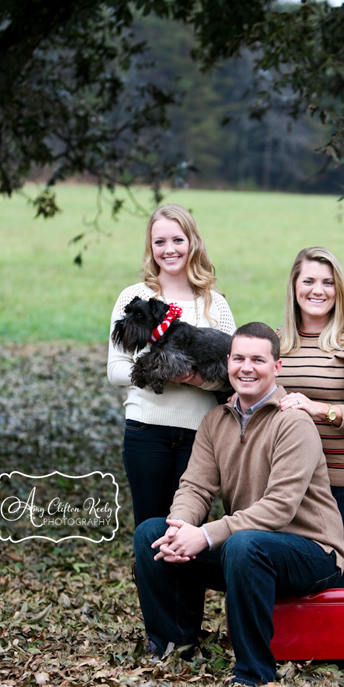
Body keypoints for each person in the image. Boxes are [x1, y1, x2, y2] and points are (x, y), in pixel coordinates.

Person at [133, 322, 344, 686]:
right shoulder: (216, 420)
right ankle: (175, 648)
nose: (246, 367)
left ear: (276, 368)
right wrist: (179, 527)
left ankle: (254, 673)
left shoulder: (293, 422)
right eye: (238, 358)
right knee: (151, 533)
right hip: (247, 548)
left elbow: (279, 508)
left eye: (257, 360)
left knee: (245, 544)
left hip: (312, 551)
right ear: (227, 362)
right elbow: (195, 486)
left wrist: (206, 535)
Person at [107, 204, 236, 527]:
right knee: (149, 528)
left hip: (201, 436)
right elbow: (115, 370)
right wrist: (154, 373)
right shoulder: (133, 298)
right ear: (150, 247)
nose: (169, 250)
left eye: (177, 240)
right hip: (145, 431)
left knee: (188, 532)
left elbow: (236, 373)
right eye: (159, 242)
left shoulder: (214, 303)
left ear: (192, 242)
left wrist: (195, 380)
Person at [276, 247, 344, 585]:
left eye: (328, 282)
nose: (317, 290)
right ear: (294, 286)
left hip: (343, 477)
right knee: (297, 570)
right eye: (308, 280)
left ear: (339, 290)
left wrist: (317, 408)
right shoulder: (278, 342)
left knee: (332, 573)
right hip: (292, 478)